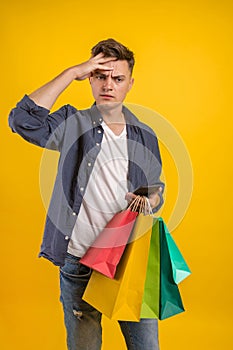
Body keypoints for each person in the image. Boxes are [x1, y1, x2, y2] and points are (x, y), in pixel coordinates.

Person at [9, 38, 165, 350]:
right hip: (78, 259)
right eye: (100, 75)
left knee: (146, 345)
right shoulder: (72, 122)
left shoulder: (145, 135)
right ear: (91, 79)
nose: (109, 85)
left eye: (118, 78)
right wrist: (71, 72)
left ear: (130, 84)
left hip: (128, 259)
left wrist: (152, 200)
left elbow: (155, 189)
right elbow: (23, 121)